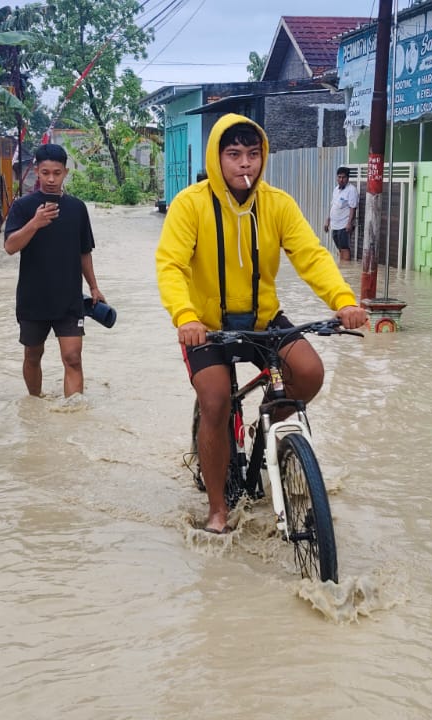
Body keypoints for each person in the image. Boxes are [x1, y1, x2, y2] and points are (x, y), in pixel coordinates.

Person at [155, 114, 369, 535]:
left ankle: (274, 429)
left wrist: (344, 302)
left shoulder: (277, 204)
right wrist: (186, 317)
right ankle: (218, 510)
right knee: (216, 400)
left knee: (308, 372)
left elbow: (311, 256)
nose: (245, 164)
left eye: (253, 154)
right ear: (217, 158)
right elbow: (170, 266)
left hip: (264, 319)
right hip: (207, 327)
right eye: (234, 154)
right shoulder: (190, 204)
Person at [3, 144, 104, 397]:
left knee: (73, 358)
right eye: (45, 172)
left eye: (56, 173)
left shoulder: (77, 208)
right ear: (36, 171)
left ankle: (73, 420)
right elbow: (10, 247)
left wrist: (93, 286)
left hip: (69, 299)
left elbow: (84, 252)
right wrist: (35, 224)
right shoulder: (23, 207)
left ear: (65, 173)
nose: (50, 179)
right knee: (33, 355)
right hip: (33, 298)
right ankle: (34, 405)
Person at [324, 166, 359, 262]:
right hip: (335, 225)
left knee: (345, 248)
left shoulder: (351, 190)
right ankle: (342, 269)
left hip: (344, 225)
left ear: (348, 178)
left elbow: (353, 207)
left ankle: (346, 268)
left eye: (343, 177)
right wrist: (327, 221)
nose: (341, 179)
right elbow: (333, 206)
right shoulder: (336, 190)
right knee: (339, 248)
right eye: (339, 177)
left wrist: (349, 223)